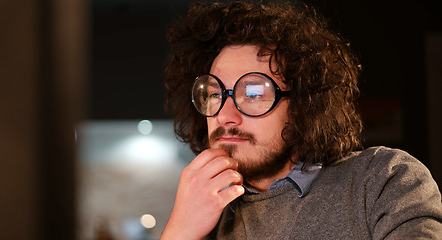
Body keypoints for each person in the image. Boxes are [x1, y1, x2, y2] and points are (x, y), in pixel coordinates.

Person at [160, 1, 442, 239]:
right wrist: (179, 232)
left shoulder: (382, 181)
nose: (224, 115)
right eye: (213, 94)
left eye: (255, 93)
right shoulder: (203, 215)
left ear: (303, 104)